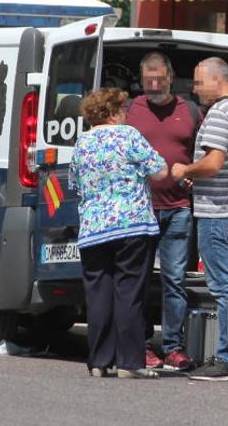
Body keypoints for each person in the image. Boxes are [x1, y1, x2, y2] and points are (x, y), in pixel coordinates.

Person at [70, 87, 167, 379]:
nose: (126, 114)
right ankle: (129, 362)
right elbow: (160, 170)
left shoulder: (81, 143)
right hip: (131, 225)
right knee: (129, 293)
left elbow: (75, 185)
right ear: (113, 113)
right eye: (123, 109)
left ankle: (99, 361)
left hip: (94, 229)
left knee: (98, 294)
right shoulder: (128, 136)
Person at [170, 57, 228, 381]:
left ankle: (227, 358)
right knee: (227, 283)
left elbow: (215, 162)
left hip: (219, 212)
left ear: (218, 80)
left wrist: (186, 170)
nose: (194, 88)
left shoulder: (220, 112)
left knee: (222, 287)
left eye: (199, 81)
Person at [125, 52, 200, 372]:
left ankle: (173, 347)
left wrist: (196, 177)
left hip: (179, 208)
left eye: (159, 80)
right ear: (142, 81)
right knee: (138, 280)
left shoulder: (190, 111)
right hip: (140, 208)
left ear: (171, 78)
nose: (154, 86)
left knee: (174, 280)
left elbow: (202, 151)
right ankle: (140, 345)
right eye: (147, 81)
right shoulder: (130, 110)